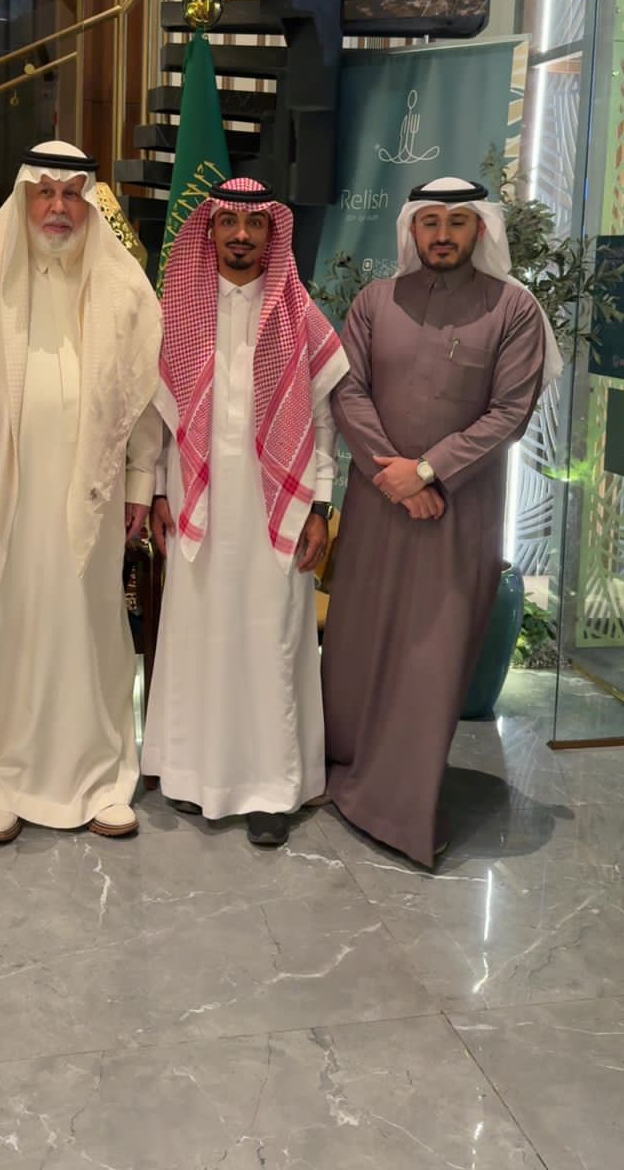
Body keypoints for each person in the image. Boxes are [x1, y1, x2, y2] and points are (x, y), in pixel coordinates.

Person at [322, 175, 563, 868]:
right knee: (359, 639)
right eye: (430, 222)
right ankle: (339, 766)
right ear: (412, 229)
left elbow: (509, 413)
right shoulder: (375, 301)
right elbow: (347, 391)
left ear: (480, 229)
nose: (443, 235)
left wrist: (427, 472)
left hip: (460, 511)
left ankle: (402, 805)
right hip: (378, 505)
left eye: (457, 222)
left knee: (431, 652)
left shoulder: (514, 310)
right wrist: (394, 477)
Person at [0, 142, 162, 843]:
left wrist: (140, 481)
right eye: (45, 192)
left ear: (88, 202)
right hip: (1, 494)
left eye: (71, 194)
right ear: (24, 197)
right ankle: (1, 776)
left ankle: (96, 773)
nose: (58, 207)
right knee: (4, 626)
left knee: (89, 627)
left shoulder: (124, 288)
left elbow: (144, 399)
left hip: (93, 495)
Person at [143, 178, 349, 847]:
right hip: (195, 503)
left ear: (271, 233)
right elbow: (157, 421)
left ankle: (272, 789)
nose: (239, 234)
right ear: (208, 230)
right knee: (199, 633)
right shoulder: (176, 313)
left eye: (253, 224)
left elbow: (324, 423)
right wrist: (158, 490)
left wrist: (320, 505)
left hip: (278, 510)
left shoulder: (299, 313)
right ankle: (192, 774)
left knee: (271, 638)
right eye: (228, 221)